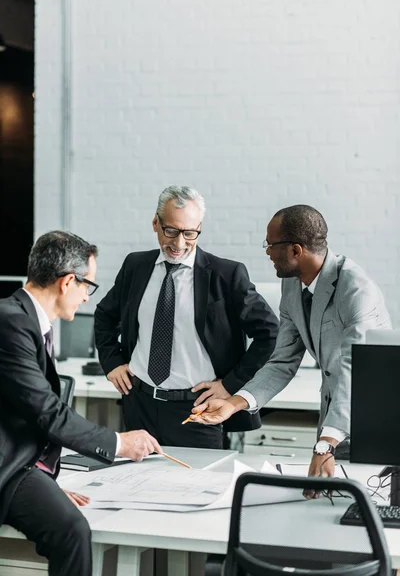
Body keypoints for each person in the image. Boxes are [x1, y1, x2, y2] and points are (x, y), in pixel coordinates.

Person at [190, 204, 391, 495]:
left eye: (271, 245)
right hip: (332, 417)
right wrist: (234, 403)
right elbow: (282, 361)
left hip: (373, 419)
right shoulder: (292, 286)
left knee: (366, 508)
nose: (267, 252)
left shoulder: (357, 291)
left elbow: (355, 373)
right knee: (323, 505)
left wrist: (325, 445)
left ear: (296, 250)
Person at [0, 231, 163, 576]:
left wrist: (48, 480)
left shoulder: (27, 320)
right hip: (9, 468)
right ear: (67, 281)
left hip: (24, 463)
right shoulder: (11, 321)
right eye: (88, 286)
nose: (87, 298)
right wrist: (119, 443)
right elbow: (47, 412)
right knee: (73, 531)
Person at [94, 185, 279, 449]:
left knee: (195, 487)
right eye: (171, 231)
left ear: (199, 227)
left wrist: (230, 384)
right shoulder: (136, 266)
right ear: (155, 223)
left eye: (190, 233)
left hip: (196, 410)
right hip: (139, 402)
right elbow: (104, 315)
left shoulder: (226, 275)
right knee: (137, 485)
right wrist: (112, 362)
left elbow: (270, 333)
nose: (179, 244)